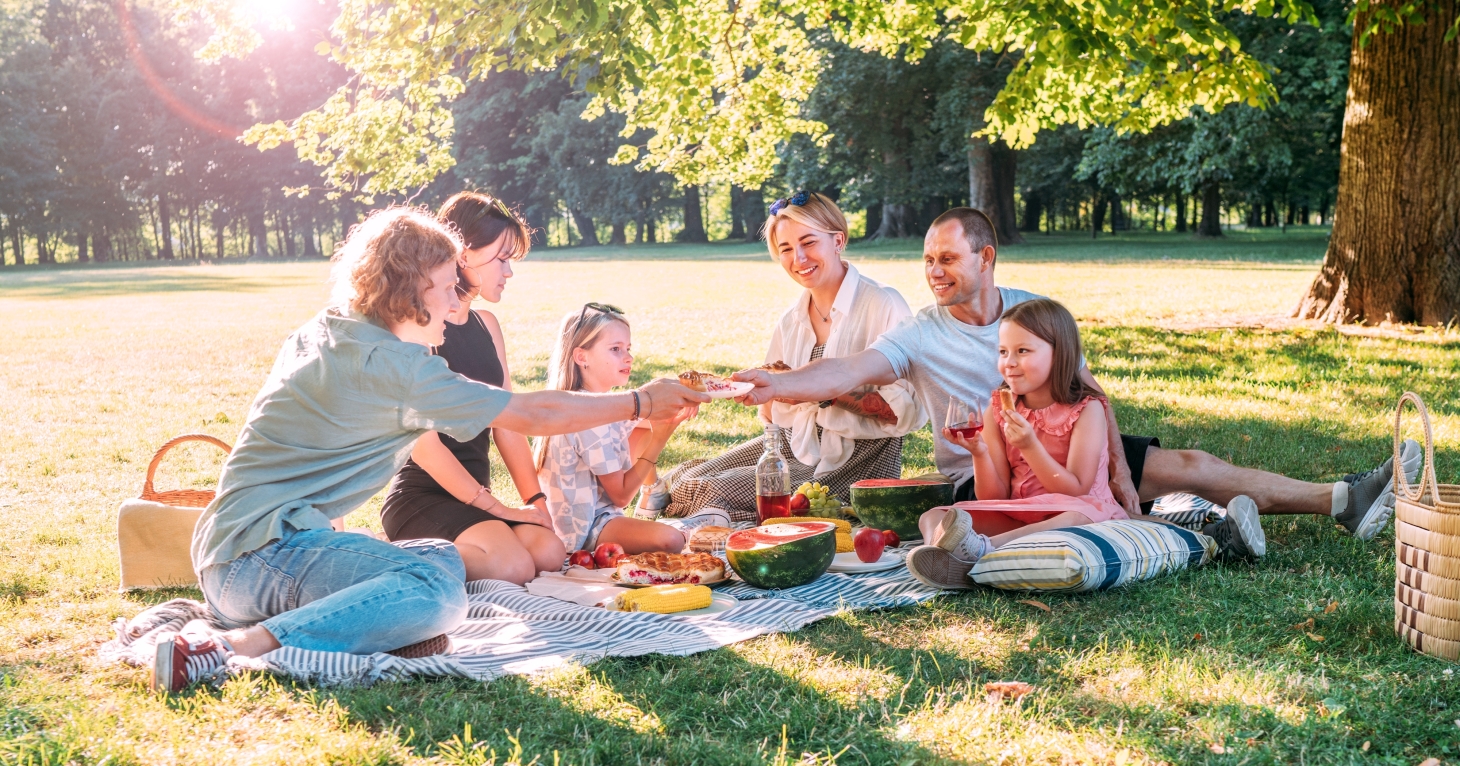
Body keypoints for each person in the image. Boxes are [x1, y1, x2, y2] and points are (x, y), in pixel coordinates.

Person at [153, 207, 708, 693]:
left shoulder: (327, 330)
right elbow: (531, 413)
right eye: (445, 286)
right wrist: (640, 402)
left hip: (231, 554)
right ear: (411, 288)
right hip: (258, 561)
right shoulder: (395, 368)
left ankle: (363, 625)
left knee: (439, 556)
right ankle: (233, 648)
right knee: (437, 590)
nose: (453, 299)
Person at [734, 206, 1421, 588]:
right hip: (989, 473)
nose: (934, 273)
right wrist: (778, 383)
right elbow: (847, 371)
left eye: (947, 259)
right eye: (928, 261)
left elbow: (1090, 394)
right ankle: (1214, 528)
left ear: (985, 257)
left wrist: (1119, 471)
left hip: (1069, 447)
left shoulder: (1035, 312)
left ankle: (1340, 501)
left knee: (1190, 463)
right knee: (1096, 504)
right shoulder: (920, 331)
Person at [910, 298, 1265, 587]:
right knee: (935, 515)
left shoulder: (1087, 409)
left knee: (1076, 517)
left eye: (1023, 351)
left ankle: (981, 551)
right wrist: (980, 453)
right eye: (1003, 352)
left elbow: (1077, 488)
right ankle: (940, 557)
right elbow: (994, 496)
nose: (1009, 363)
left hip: (1081, 510)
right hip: (1025, 513)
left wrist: (1031, 446)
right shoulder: (1000, 408)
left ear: (1060, 352)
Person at [663, 191, 926, 523]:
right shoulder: (791, 319)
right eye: (786, 249)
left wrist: (815, 391)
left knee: (705, 490)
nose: (798, 258)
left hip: (854, 459)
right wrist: (757, 392)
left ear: (838, 240)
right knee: (684, 479)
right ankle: (717, 511)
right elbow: (773, 410)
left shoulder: (882, 303)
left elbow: (903, 414)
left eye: (808, 242)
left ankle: (725, 515)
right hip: (792, 445)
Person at [380, 192, 564, 585]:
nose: (509, 272)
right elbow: (424, 447)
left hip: (477, 497)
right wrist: (496, 508)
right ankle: (383, 558)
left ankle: (479, 544)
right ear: (464, 255)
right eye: (502, 258)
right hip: (423, 497)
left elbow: (508, 425)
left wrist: (535, 502)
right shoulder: (421, 330)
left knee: (549, 552)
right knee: (512, 567)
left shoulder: (487, 325)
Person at [536, 304, 697, 554]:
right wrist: (660, 438)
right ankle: (652, 495)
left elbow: (644, 413)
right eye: (615, 349)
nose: (628, 357)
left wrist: (674, 399)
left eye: (628, 349)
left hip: (595, 518)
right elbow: (621, 496)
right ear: (582, 357)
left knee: (641, 423)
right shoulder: (590, 418)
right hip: (584, 531)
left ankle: (652, 494)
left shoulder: (588, 402)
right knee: (672, 540)